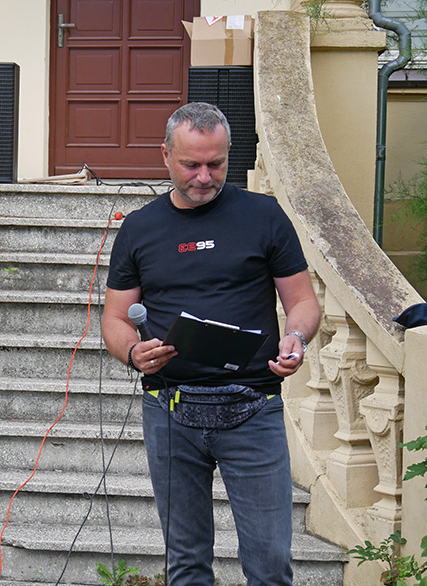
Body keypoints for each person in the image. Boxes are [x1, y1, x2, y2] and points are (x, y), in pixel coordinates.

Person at [101, 102, 321, 586]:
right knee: (185, 562)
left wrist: (296, 337)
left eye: (216, 164)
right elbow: (115, 318)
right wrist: (133, 353)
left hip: (253, 407)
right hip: (170, 408)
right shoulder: (139, 227)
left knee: (269, 563)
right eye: (191, 164)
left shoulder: (262, 215)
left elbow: (304, 302)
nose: (204, 176)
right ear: (165, 156)